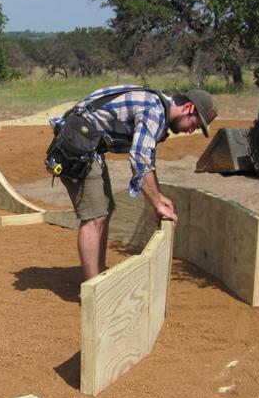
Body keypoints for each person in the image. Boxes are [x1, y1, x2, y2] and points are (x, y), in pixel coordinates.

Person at [51, 85, 217, 281]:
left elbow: (148, 161)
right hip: (77, 144)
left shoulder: (158, 108)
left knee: (105, 210)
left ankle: (98, 278)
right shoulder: (154, 109)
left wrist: (159, 197)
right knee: (94, 217)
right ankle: (94, 290)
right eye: (194, 124)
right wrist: (156, 204)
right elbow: (139, 158)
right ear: (189, 108)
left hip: (88, 144)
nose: (191, 131)